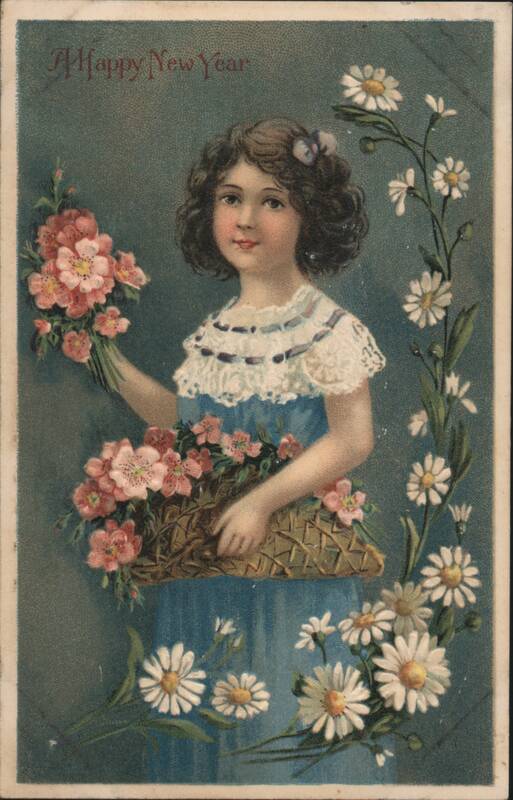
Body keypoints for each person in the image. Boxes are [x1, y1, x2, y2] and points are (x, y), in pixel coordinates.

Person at [113, 118, 391, 783]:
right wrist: (106, 361)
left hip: (288, 580)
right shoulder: (214, 332)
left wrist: (262, 502)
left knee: (276, 739)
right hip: (206, 569)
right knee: (201, 743)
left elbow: (353, 438)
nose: (245, 217)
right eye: (230, 197)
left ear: (309, 215)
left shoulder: (325, 327)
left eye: (272, 201)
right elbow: (192, 425)